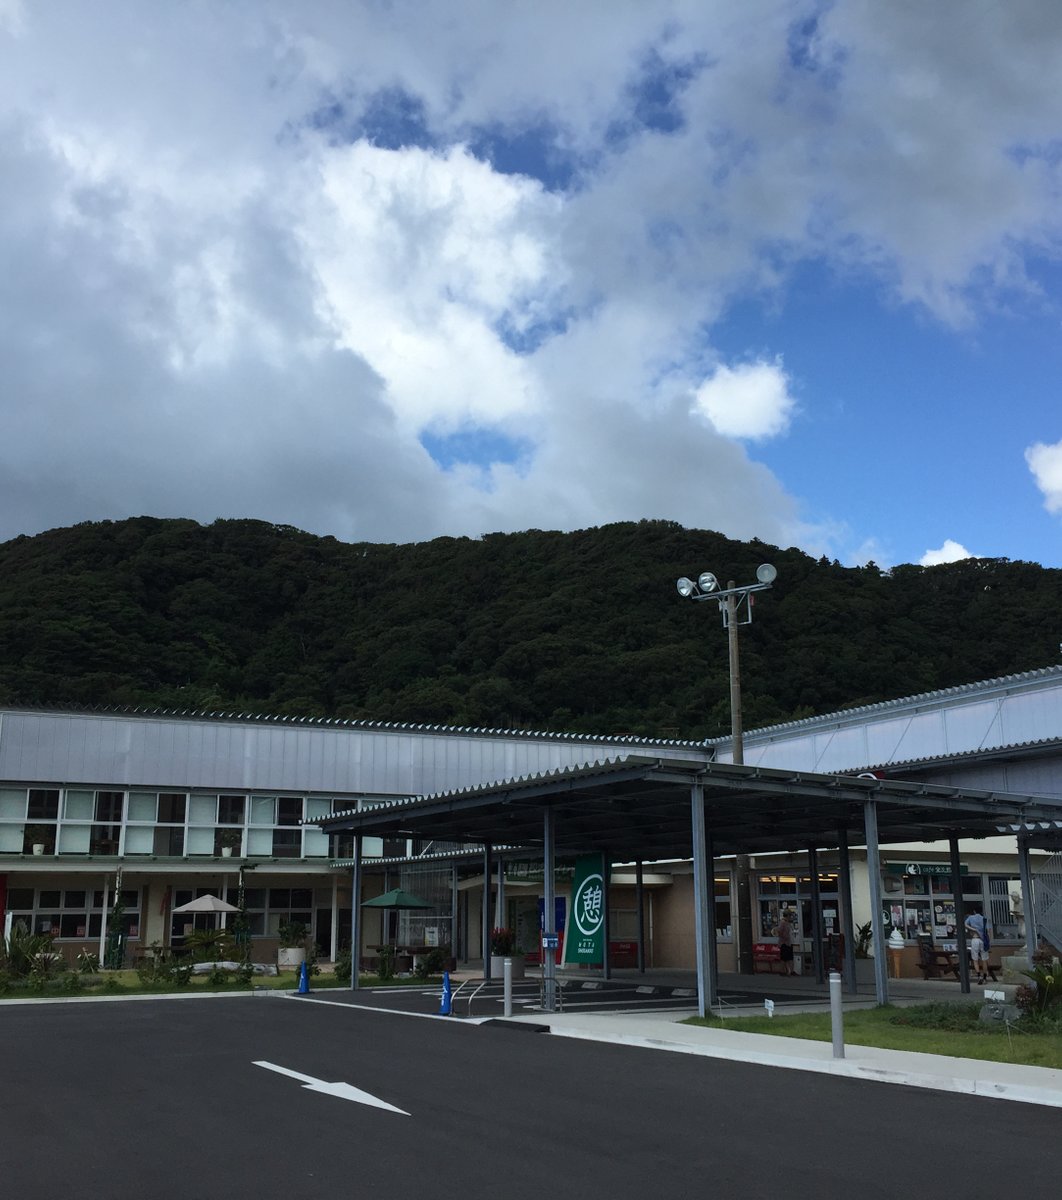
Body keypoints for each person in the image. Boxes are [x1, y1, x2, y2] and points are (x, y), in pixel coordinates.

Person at [964, 906, 990, 983]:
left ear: (974, 911)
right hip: (983, 940)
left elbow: (965, 924)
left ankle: (979, 976)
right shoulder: (984, 919)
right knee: (984, 959)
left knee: (975, 959)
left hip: (975, 939)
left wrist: (973, 929)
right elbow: (988, 930)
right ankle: (985, 977)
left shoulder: (971, 918)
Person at [776, 911, 795, 976]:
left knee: (789, 958)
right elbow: (779, 932)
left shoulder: (788, 923)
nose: (791, 917)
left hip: (789, 943)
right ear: (787, 916)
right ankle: (782, 971)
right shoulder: (782, 923)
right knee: (784, 958)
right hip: (784, 943)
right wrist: (785, 937)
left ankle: (790, 971)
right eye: (790, 916)